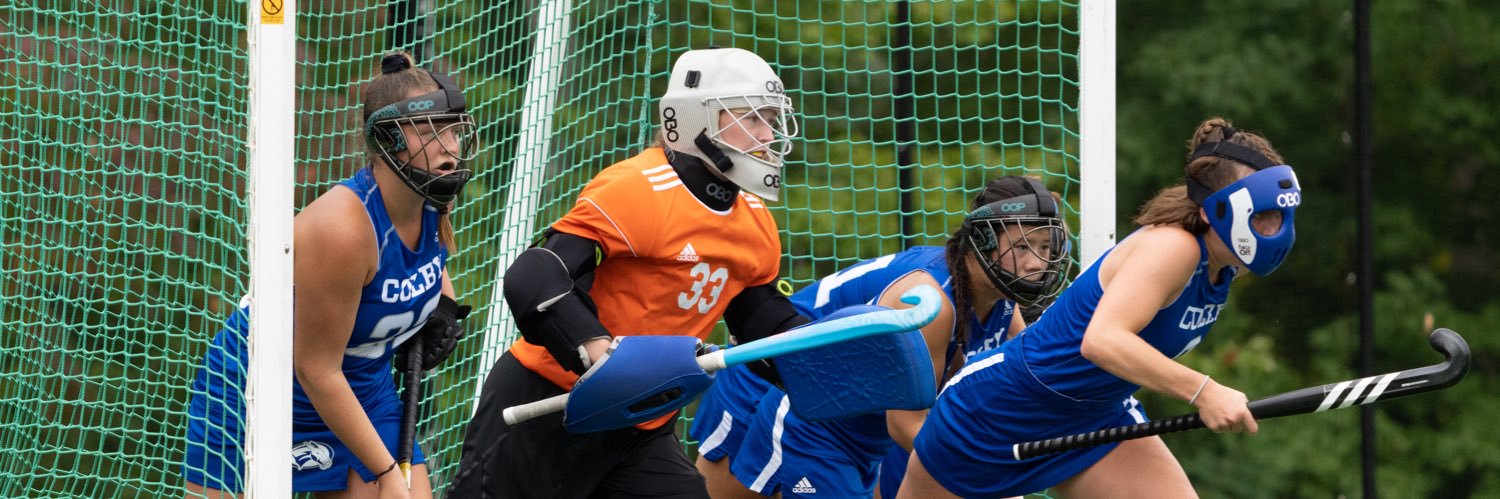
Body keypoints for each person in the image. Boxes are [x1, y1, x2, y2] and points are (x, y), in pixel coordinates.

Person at [448, 46, 811, 498]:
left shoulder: (755, 220)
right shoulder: (639, 189)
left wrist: (822, 352)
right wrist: (600, 355)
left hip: (640, 426)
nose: (766, 134)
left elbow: (758, 317)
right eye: (751, 118)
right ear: (696, 119)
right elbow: (535, 276)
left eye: (771, 119)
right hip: (547, 406)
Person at [898, 118, 1302, 498]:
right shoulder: (1173, 248)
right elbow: (1103, 341)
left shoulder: (1226, 266)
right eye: (1264, 217)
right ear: (1214, 212)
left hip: (1096, 416)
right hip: (995, 414)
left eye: (1282, 215)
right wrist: (1203, 391)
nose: (1276, 230)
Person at [182, 52, 477, 498]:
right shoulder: (341, 230)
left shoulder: (430, 195)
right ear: (392, 139)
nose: (450, 147)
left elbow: (429, 258)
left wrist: (443, 307)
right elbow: (315, 368)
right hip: (262, 389)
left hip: (361, 390)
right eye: (433, 131)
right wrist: (384, 473)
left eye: (453, 129)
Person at [690, 175, 1073, 498]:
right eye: (1022, 246)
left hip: (857, 417)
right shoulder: (930, 305)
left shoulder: (1003, 307)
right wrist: (986, 462)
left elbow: (1018, 390)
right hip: (774, 377)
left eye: (1045, 247)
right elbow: (907, 424)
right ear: (985, 242)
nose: (1036, 264)